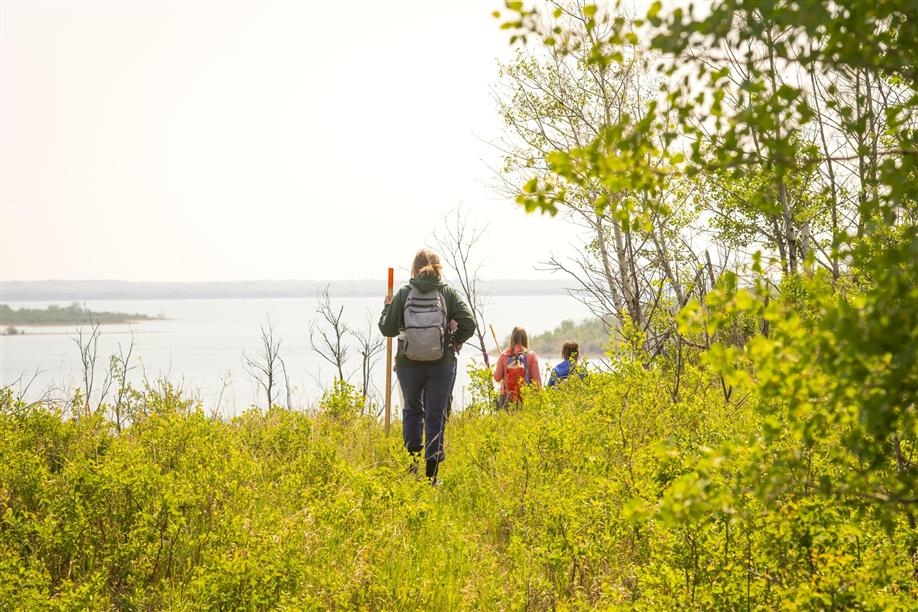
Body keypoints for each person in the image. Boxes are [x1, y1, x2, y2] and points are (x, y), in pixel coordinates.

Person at [378, 248, 475, 485]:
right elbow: (469, 323)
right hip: (441, 363)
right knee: (435, 414)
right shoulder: (448, 293)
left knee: (412, 410)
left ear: (414, 269)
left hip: (408, 363)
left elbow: (387, 329)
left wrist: (387, 307)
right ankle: (432, 477)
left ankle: (413, 466)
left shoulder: (403, 293)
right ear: (438, 269)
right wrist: (455, 340)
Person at [493, 326, 541, 407]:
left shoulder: (504, 355)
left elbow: (497, 377)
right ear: (525, 339)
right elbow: (537, 382)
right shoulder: (531, 355)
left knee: (506, 419)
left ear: (512, 339)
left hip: (506, 398)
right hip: (525, 397)